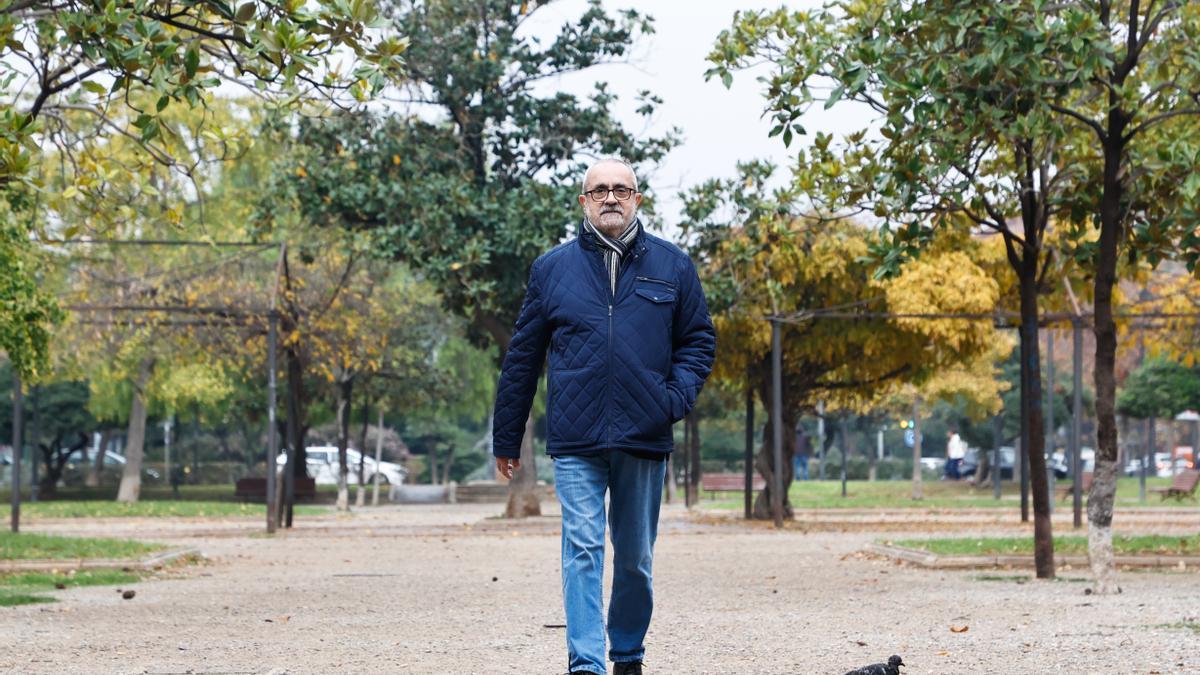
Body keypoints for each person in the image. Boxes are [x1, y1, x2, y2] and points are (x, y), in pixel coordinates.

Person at [492, 158, 716, 675]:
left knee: (635, 559)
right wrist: (507, 437)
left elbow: (698, 341)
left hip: (645, 433)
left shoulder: (673, 265)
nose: (610, 197)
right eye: (599, 191)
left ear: (637, 198)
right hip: (577, 438)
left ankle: (628, 653)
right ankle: (587, 663)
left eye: (622, 189)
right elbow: (523, 357)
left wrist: (672, 399)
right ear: (584, 202)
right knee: (583, 549)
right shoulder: (552, 269)